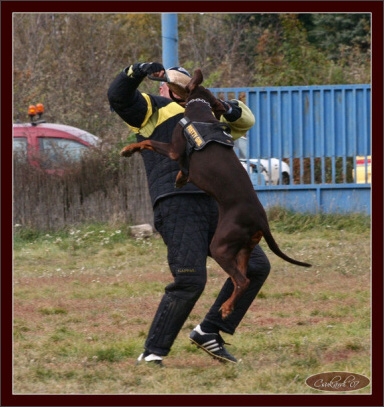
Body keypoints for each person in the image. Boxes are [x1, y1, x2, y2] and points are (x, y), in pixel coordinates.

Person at [108, 62, 270, 366]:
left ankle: (210, 331)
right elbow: (118, 97)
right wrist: (136, 70)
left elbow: (245, 119)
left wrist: (221, 105)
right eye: (170, 83)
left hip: (217, 203)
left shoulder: (208, 109)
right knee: (190, 278)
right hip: (177, 202)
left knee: (257, 265)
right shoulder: (152, 109)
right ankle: (152, 352)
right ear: (162, 89)